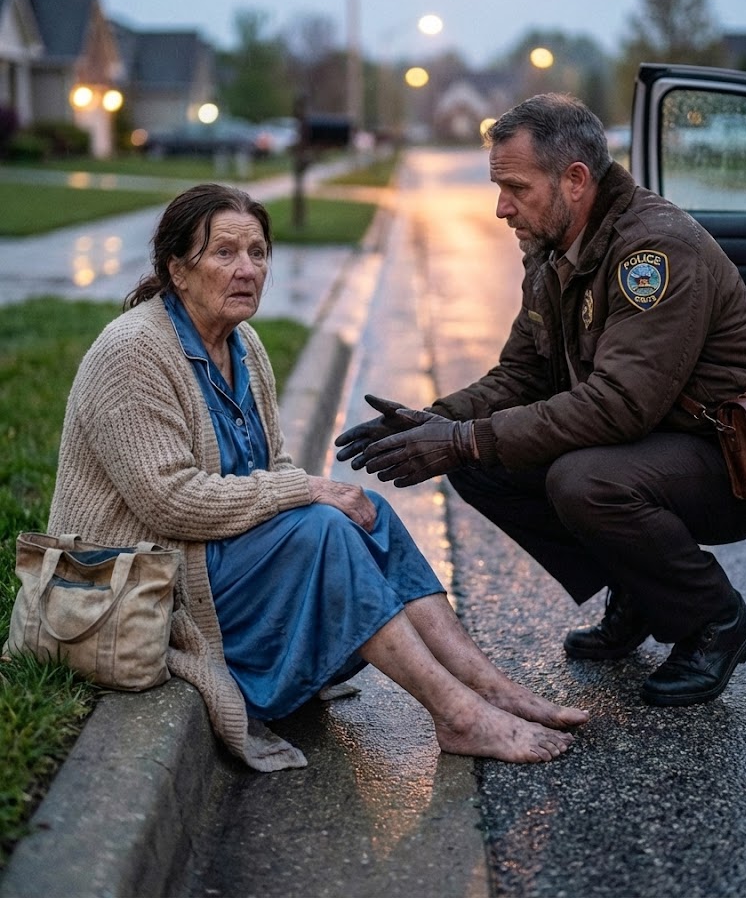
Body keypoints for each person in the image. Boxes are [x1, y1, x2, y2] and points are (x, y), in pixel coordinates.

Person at [47, 182, 588, 772]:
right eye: (224, 253)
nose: (246, 269)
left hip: (213, 556)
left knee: (368, 514)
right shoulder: (133, 353)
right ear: (177, 268)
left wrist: (312, 492)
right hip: (147, 580)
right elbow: (171, 501)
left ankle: (489, 685)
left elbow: (270, 465)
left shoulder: (243, 343)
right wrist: (310, 490)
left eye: (257, 253)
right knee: (322, 529)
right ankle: (455, 712)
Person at [335, 93, 746, 708]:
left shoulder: (653, 252)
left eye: (516, 188)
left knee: (584, 480)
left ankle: (715, 620)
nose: (501, 208)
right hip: (654, 442)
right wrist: (438, 423)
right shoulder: (553, 251)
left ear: (575, 180)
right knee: (476, 461)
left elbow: (619, 405)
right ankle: (638, 590)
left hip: (728, 459)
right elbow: (522, 375)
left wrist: (464, 437)